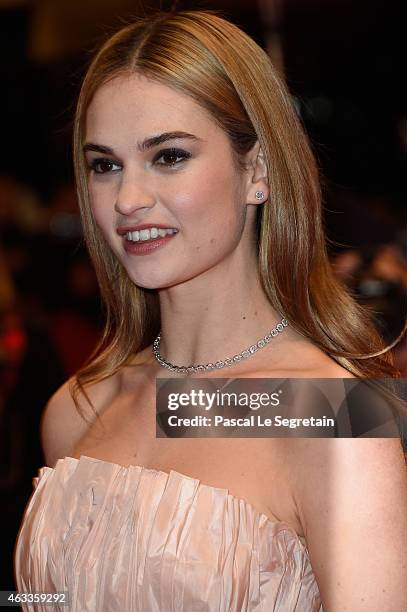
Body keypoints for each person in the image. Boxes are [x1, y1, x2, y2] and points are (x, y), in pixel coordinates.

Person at [14, 9, 407, 611]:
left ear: (258, 171)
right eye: (105, 165)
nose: (128, 199)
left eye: (168, 156)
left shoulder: (332, 416)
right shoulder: (78, 408)